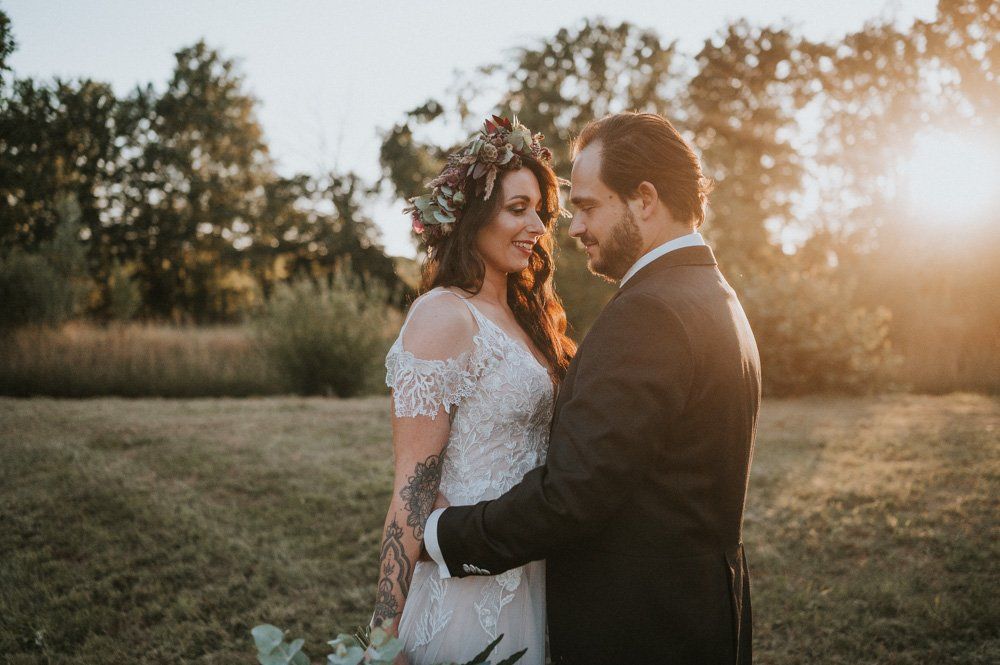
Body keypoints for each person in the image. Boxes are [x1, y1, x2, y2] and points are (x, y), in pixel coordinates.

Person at [423, 112, 762, 664]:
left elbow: (572, 495)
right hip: (700, 614)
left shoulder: (649, 312)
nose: (573, 228)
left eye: (586, 206)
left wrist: (442, 535)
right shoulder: (713, 293)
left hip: (642, 630)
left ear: (644, 199)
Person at [371, 115, 575, 665]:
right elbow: (411, 493)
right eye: (517, 209)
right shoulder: (444, 315)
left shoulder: (527, 319)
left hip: (530, 570)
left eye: (541, 210)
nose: (537, 225)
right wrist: (381, 636)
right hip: (465, 588)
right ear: (470, 216)